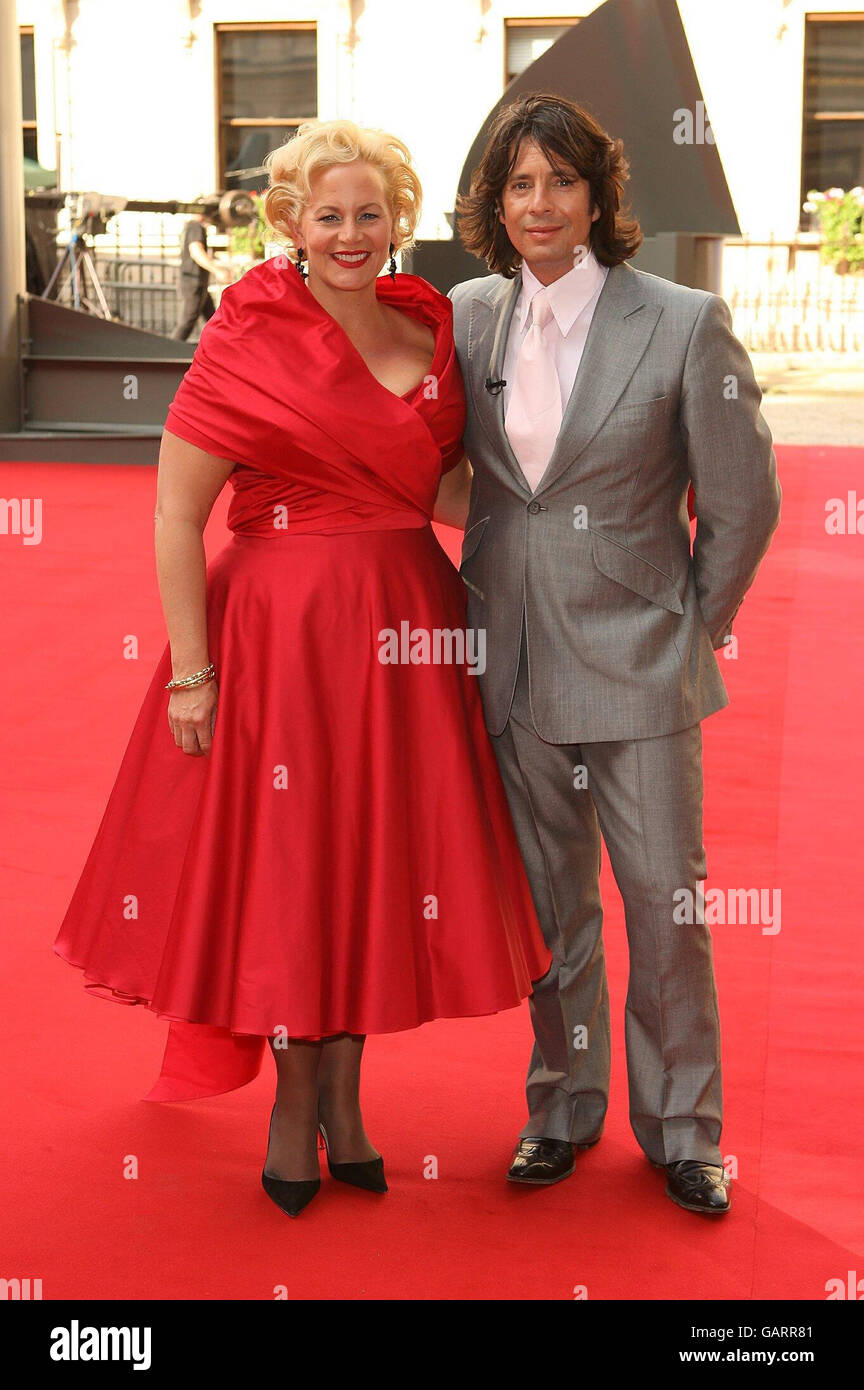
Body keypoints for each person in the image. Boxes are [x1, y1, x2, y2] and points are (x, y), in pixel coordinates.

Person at [53, 118, 552, 1219]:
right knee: (292, 871)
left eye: (370, 213)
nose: (350, 233)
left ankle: (346, 1102)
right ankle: (293, 1111)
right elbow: (178, 514)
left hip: (406, 629)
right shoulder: (248, 333)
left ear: (398, 220)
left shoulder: (429, 324)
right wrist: (192, 670)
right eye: (327, 214)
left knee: (373, 862)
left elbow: (441, 491)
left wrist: (576, 511)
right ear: (288, 220)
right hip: (279, 636)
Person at [448, 93, 781, 1215]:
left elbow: (742, 497)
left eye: (560, 181)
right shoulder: (465, 315)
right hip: (513, 658)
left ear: (599, 197)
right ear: (497, 204)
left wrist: (693, 622)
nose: (539, 204)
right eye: (519, 184)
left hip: (641, 662)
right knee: (549, 906)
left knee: (664, 905)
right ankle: (561, 1103)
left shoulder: (682, 320)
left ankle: (684, 1126)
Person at [170, 211, 231, 340]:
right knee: (187, 323)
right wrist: (216, 270)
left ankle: (222, 350)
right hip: (193, 282)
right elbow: (195, 250)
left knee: (214, 320)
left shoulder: (191, 226)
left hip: (197, 282)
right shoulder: (194, 226)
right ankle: (165, 354)